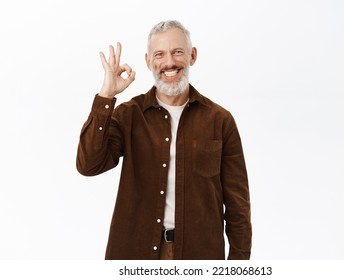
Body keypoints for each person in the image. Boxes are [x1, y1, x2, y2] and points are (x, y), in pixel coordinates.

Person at [76, 20, 251, 260]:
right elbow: (89, 165)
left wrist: (239, 264)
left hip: (199, 255)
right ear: (148, 62)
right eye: (159, 54)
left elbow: (238, 205)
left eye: (177, 52)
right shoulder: (130, 115)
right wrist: (106, 95)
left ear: (192, 56)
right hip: (134, 254)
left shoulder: (220, 120)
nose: (169, 62)